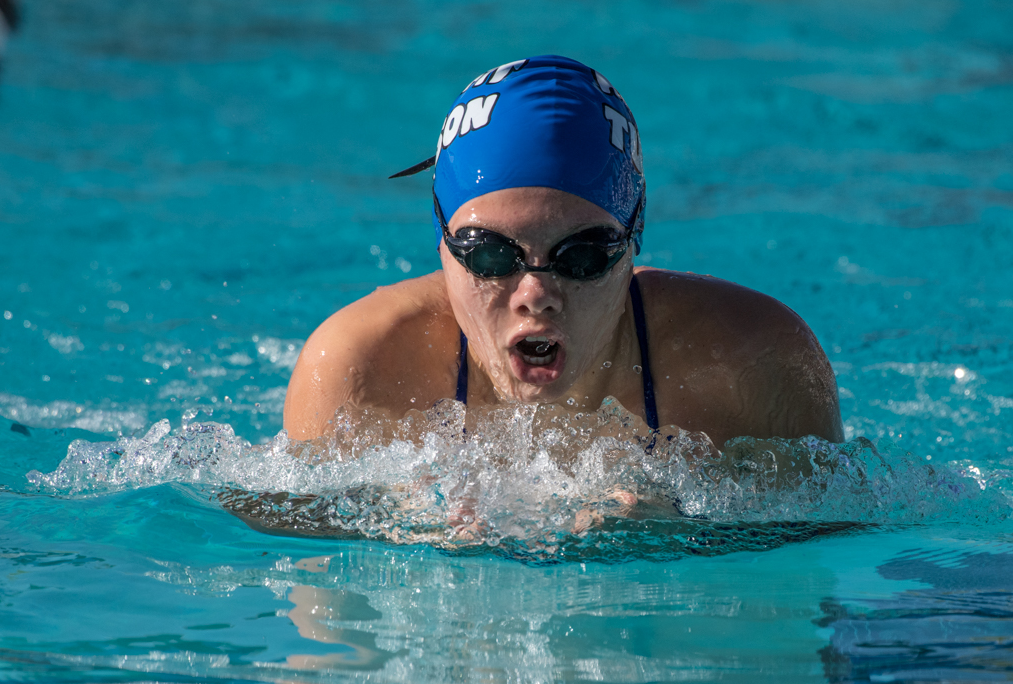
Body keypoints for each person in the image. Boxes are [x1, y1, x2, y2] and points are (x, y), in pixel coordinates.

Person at [283, 55, 842, 449]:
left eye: (581, 256)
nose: (537, 295)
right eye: (491, 255)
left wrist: (670, 543)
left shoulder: (756, 362)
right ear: (442, 243)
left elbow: (816, 585)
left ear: (632, 242)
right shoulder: (356, 371)